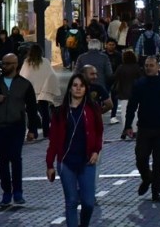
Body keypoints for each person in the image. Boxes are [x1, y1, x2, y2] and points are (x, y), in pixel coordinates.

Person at [0, 53, 40, 208]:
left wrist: (32, 129)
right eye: (3, 63)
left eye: (7, 64)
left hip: (17, 126)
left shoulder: (24, 85)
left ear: (15, 65)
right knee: (3, 161)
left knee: (16, 159)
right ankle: (6, 192)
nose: (4, 66)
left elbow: (32, 109)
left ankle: (18, 192)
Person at [46, 73, 103, 227]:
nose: (78, 88)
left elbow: (99, 132)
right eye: (75, 85)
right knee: (71, 201)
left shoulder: (93, 109)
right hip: (66, 162)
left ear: (86, 89)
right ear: (70, 88)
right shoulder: (60, 112)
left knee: (88, 203)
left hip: (87, 161)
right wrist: (50, 164)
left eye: (81, 86)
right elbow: (53, 140)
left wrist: (96, 151)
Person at [123, 56, 160, 202]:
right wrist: (128, 124)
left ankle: (156, 191)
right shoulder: (139, 84)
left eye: (151, 65)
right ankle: (147, 178)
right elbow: (132, 105)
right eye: (146, 65)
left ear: (158, 67)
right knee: (140, 158)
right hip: (144, 127)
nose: (148, 68)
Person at [19, 44, 62, 139]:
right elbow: (52, 75)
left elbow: (23, 76)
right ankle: (47, 132)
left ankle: (33, 132)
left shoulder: (27, 62)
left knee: (32, 114)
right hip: (43, 92)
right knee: (45, 113)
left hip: (31, 92)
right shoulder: (45, 62)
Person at [111, 50, 141, 127]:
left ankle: (126, 128)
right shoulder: (137, 67)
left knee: (124, 112)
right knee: (135, 112)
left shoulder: (121, 68)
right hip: (135, 93)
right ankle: (135, 129)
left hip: (123, 93)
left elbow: (114, 77)